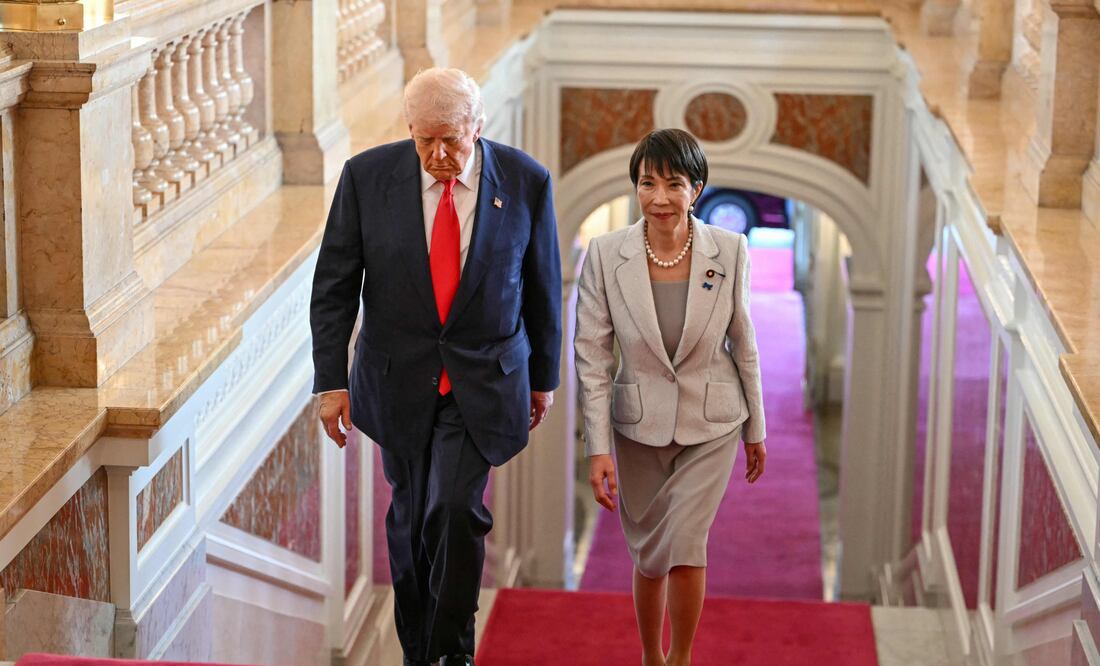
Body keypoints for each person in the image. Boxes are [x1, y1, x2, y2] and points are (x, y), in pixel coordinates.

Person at [310, 67, 562, 666]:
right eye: (425, 140)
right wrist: (331, 382)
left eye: (451, 138)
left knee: (453, 509)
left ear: (478, 125)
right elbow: (335, 288)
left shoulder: (525, 181)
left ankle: (450, 654)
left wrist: (544, 378)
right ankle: (419, 650)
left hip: (484, 381)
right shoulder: (367, 179)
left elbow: (543, 287)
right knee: (409, 519)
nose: (438, 154)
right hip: (396, 380)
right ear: (409, 130)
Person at [574, 128, 767, 666]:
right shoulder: (605, 255)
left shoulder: (729, 250)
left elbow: (744, 342)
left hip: (714, 421)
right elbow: (591, 357)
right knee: (651, 551)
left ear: (696, 188)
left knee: (684, 540)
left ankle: (680, 657)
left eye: (673, 184)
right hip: (637, 426)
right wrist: (597, 449)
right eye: (647, 183)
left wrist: (757, 428)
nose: (659, 197)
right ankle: (649, 657)